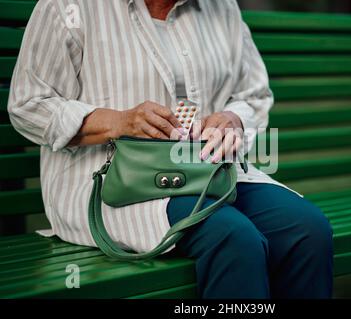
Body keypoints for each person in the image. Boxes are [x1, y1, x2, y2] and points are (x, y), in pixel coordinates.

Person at [8, 0, 333, 298]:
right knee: (232, 238)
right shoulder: (68, 6)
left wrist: (232, 119)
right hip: (111, 183)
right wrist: (118, 122)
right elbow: (29, 104)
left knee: (307, 230)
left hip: (207, 170)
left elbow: (253, 95)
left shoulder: (222, 7)